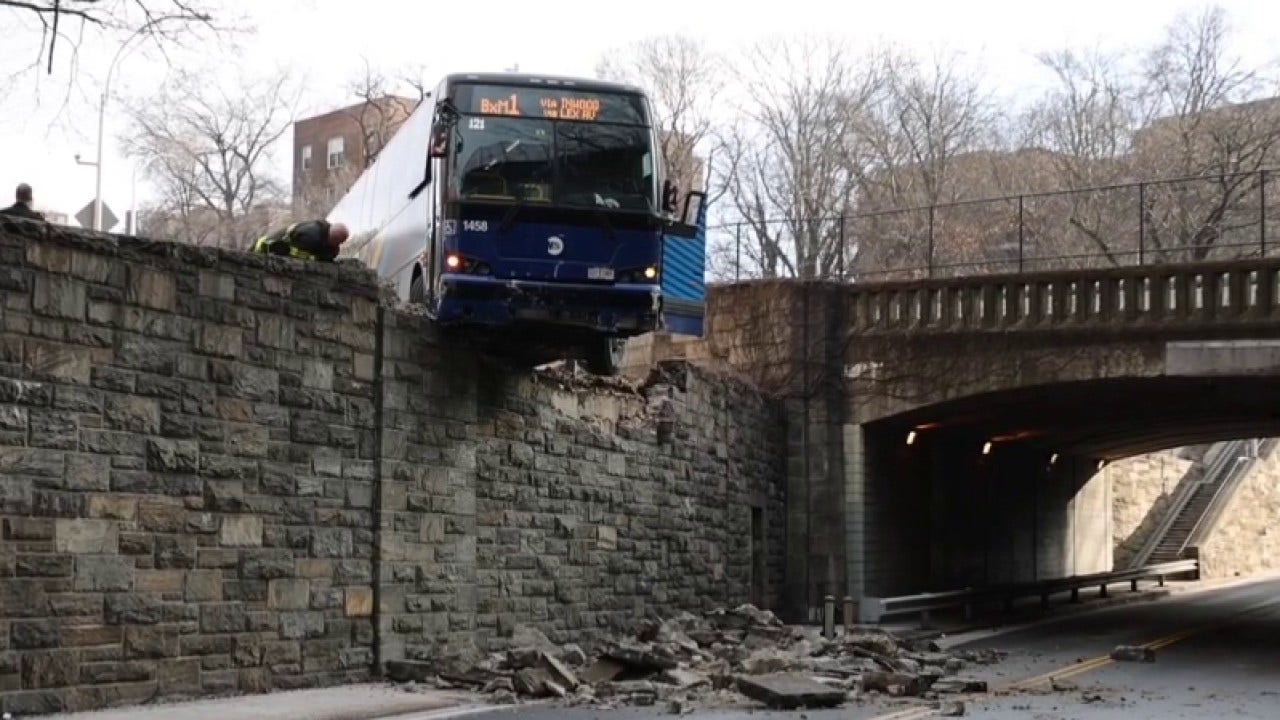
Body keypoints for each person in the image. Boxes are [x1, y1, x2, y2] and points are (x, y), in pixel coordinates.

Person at [251, 219, 348, 261]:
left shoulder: (332, 249)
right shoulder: (311, 235)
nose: (337, 245)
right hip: (265, 246)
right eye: (337, 241)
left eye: (340, 243)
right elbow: (294, 255)